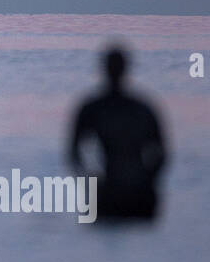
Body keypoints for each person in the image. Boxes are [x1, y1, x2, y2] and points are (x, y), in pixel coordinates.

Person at [68, 46, 168, 221]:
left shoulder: (93, 109)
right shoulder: (142, 109)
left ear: (104, 69)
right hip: (134, 194)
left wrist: (91, 183)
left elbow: (74, 154)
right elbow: (161, 154)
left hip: (118, 194)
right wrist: (148, 180)